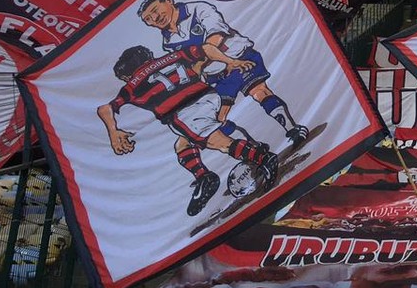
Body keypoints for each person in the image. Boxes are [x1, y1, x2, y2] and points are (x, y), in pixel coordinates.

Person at [96, 44, 279, 217]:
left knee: (217, 142)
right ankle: (204, 177)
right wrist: (230, 61)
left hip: (184, 111)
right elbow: (206, 48)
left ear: (127, 75)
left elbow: (105, 108)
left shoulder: (132, 86)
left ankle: (263, 158)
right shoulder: (173, 56)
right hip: (208, 97)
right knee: (182, 145)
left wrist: (114, 133)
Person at [137, 0, 309, 149]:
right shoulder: (167, 41)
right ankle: (254, 148)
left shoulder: (198, 9)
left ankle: (292, 129)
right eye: (148, 19)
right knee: (218, 118)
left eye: (155, 10)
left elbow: (216, 36)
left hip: (239, 57)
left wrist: (200, 63)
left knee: (259, 91)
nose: (155, 18)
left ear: (168, 0)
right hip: (215, 75)